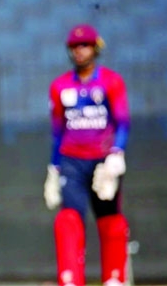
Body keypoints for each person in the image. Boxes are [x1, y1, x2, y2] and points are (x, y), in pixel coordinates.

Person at [44, 24, 131, 286]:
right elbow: (58, 131)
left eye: (85, 45)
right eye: (74, 47)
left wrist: (116, 154)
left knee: (110, 218)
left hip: (104, 162)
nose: (79, 51)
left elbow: (123, 122)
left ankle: (114, 279)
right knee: (68, 219)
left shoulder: (111, 81)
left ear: (95, 47)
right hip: (71, 161)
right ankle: (70, 279)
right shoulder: (59, 86)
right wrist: (54, 168)